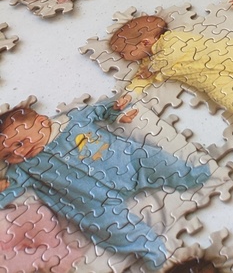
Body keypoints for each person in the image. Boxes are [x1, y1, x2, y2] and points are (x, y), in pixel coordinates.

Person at [0, 97, 210, 270]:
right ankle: (155, 256)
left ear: (43, 122)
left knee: (156, 160)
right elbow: (11, 188)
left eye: (20, 142)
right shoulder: (22, 167)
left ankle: (192, 175)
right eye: (8, 154)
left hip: (128, 162)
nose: (18, 152)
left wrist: (116, 109)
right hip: (94, 202)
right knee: (116, 229)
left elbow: (99, 110)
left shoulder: (72, 120)